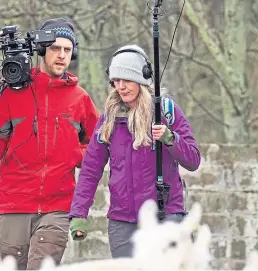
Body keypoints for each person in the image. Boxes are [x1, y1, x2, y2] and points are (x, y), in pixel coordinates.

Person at [0, 18, 100, 270]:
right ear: (41, 50)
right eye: (55, 48)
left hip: (58, 207)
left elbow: (96, 150)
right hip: (14, 205)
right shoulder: (11, 94)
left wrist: (74, 154)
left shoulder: (80, 99)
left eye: (67, 50)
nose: (62, 56)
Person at [67, 44, 201, 258]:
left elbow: (193, 160)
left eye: (126, 80)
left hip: (165, 215)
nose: (120, 87)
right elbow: (91, 168)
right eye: (116, 81)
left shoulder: (165, 112)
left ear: (141, 80)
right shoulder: (109, 119)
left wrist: (170, 139)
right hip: (123, 222)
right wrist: (79, 213)